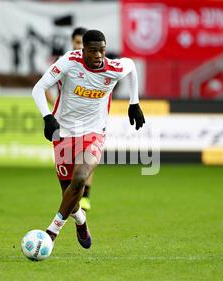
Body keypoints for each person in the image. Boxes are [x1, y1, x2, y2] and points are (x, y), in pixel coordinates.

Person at [32, 29, 145, 249]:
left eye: (101, 51)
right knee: (69, 195)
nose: (98, 56)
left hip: (94, 133)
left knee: (81, 177)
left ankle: (51, 233)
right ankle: (81, 220)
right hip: (63, 132)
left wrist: (134, 102)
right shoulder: (69, 61)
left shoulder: (113, 68)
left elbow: (130, 66)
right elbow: (38, 89)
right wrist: (47, 117)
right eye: (93, 51)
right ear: (83, 50)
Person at [45, 27, 94, 212]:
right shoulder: (64, 62)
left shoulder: (94, 63)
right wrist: (55, 107)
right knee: (68, 166)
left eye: (83, 43)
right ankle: (73, 203)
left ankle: (86, 196)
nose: (80, 46)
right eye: (77, 42)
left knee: (88, 157)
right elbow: (45, 87)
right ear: (72, 42)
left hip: (89, 121)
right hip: (65, 122)